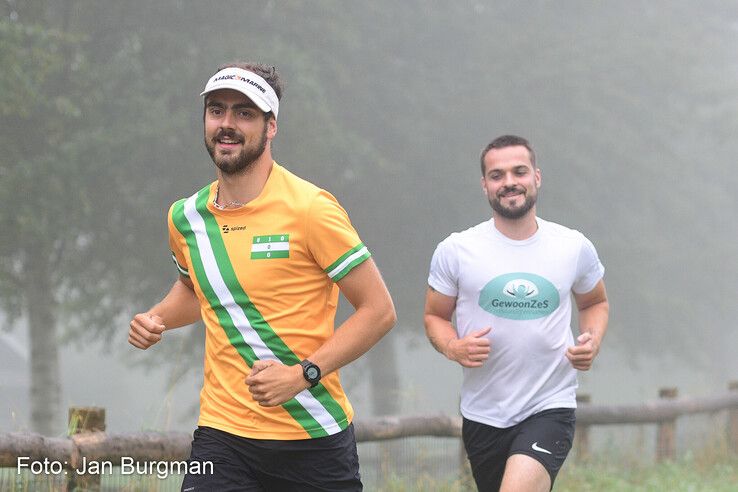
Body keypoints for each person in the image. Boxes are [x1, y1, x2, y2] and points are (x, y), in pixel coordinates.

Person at [128, 62, 396, 491]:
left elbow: (379, 311)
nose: (227, 124)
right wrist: (155, 317)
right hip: (222, 437)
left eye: (244, 113)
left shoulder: (312, 209)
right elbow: (195, 290)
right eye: (217, 110)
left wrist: (301, 374)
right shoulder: (186, 217)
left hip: (313, 437)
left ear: (271, 127)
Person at [424, 135, 609, 492]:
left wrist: (593, 339)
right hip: (483, 415)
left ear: (536, 177)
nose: (509, 181)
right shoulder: (457, 250)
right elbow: (434, 316)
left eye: (519, 171)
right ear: (485, 186)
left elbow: (594, 303)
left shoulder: (572, 246)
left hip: (549, 405)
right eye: (497, 175)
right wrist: (453, 347)